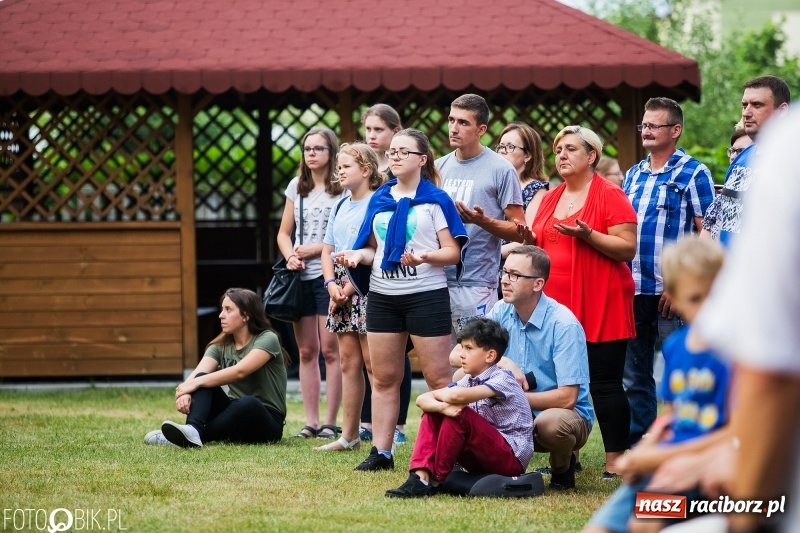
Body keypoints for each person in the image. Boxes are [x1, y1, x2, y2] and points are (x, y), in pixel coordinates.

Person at [688, 105, 800, 533]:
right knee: (647, 509)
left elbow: (770, 380)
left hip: (770, 492)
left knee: (653, 512)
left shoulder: (787, 148)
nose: (747, 111)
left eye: (757, 104)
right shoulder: (689, 346)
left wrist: (748, 515)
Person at [338, 128, 468, 471]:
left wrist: (426, 257)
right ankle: (381, 453)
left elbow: (452, 252)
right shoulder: (380, 199)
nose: (394, 156)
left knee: (439, 379)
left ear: (421, 159)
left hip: (426, 296)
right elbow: (372, 249)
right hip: (383, 297)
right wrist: (357, 256)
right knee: (383, 379)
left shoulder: (436, 200)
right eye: (392, 152)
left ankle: (447, 453)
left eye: (402, 152)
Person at [583, 237, 730, 533]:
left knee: (645, 521)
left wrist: (659, 456)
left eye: (715, 296)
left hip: (708, 466)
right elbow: (672, 417)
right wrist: (642, 452)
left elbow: (740, 431)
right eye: (695, 298)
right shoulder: (677, 346)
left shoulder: (736, 352)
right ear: (673, 297)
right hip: (667, 460)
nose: (707, 308)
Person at [528, 125, 637, 477]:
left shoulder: (609, 194)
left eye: (571, 149)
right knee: (559, 382)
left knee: (604, 383)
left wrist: (589, 235)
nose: (561, 155)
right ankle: (566, 455)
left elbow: (627, 248)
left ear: (591, 156)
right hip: (557, 305)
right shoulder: (549, 197)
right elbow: (537, 245)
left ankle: (616, 460)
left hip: (600, 297)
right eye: (558, 149)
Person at [622, 98, 715, 449]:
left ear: (675, 131)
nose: (645, 130)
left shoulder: (694, 172)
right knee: (634, 376)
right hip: (633, 290)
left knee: (682, 370)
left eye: (653, 126)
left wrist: (683, 286)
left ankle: (684, 445)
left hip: (671, 295)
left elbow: (710, 231)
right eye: (643, 125)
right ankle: (640, 446)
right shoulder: (633, 174)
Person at [385, 317, 533, 498]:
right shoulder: (468, 380)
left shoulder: (503, 379)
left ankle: (436, 479)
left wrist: (444, 404)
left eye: (469, 348)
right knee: (436, 412)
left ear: (490, 356)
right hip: (482, 456)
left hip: (510, 460)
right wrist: (443, 409)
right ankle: (420, 477)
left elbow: (456, 396)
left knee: (460, 413)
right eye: (462, 347)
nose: (461, 354)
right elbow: (422, 399)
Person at [486, 245, 595, 490]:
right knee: (464, 374)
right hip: (510, 410)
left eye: (515, 275)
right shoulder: (500, 310)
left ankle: (562, 470)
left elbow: (567, 398)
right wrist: (504, 361)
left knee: (551, 424)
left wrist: (513, 397)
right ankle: (478, 464)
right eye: (504, 272)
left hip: (561, 415)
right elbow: (460, 355)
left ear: (537, 284)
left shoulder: (563, 324)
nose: (505, 280)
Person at [144, 288, 289, 447]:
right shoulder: (220, 346)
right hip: (234, 417)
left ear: (246, 315)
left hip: (267, 424)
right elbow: (197, 375)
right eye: (222, 309)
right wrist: (185, 391)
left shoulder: (268, 339)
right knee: (202, 379)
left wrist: (193, 384)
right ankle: (192, 429)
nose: (221, 315)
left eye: (228, 310)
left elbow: (240, 372)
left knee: (248, 403)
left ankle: (192, 437)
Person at [314, 143, 384, 452]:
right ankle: (349, 435)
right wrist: (331, 284)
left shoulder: (377, 203)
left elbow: (375, 249)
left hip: (365, 286)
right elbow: (327, 249)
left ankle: (381, 437)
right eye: (339, 166)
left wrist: (350, 288)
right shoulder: (341, 205)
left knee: (373, 364)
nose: (339, 171)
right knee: (347, 362)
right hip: (339, 288)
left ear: (366, 171)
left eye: (346, 167)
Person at [436, 94, 525, 333]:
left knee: (474, 362)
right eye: (451, 120)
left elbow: (521, 232)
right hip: (434, 279)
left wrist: (482, 221)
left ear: (481, 129)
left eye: (463, 122)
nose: (453, 128)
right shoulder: (437, 167)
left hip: (476, 282)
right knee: (441, 363)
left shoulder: (501, 169)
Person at [276, 126, 344, 440]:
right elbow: (283, 233)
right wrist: (290, 256)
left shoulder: (342, 187)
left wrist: (317, 249)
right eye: (307, 149)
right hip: (299, 276)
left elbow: (347, 234)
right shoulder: (296, 187)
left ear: (331, 152)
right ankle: (311, 422)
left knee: (331, 351)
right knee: (305, 351)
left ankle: (331, 422)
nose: (311, 154)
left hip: (328, 275)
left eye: (318, 148)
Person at [358, 103, 412, 446]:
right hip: (366, 262)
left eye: (379, 130)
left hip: (398, 263)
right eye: (368, 130)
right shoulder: (364, 167)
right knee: (369, 353)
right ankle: (368, 421)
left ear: (395, 131)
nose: (372, 136)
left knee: (396, 351)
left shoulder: (399, 172)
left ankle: (400, 425)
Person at [700, 76, 790, 245]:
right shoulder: (740, 158)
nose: (746, 113)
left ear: (782, 111)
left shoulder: (791, 161)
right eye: (744, 105)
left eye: (757, 105)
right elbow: (725, 225)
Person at [497, 122, 549, 260]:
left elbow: (531, 237)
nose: (502, 151)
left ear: (527, 155)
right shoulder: (491, 183)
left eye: (510, 147)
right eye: (501, 146)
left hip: (512, 266)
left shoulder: (537, 190)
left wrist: (492, 255)